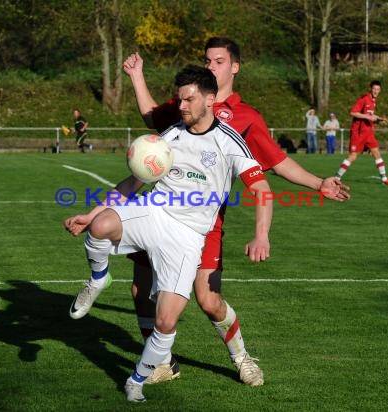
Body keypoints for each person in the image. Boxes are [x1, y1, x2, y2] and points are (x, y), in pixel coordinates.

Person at [66, 37, 349, 387]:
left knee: (208, 299)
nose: (211, 65)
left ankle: (242, 357)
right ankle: (163, 362)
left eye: (218, 60)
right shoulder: (188, 102)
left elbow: (276, 163)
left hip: (203, 224)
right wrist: (137, 76)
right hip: (160, 212)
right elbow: (154, 122)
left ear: (234, 67)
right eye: (207, 59)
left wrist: (317, 183)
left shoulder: (244, 119)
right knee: (141, 291)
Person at [68, 65, 273, 402]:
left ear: (209, 100)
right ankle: (98, 279)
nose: (181, 106)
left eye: (188, 100)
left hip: (189, 234)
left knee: (175, 317)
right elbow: (134, 183)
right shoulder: (170, 137)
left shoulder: (228, 141)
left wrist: (261, 234)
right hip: (155, 213)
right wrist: (90, 213)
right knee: (101, 225)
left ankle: (232, 359)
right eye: (180, 99)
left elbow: (262, 188)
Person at [334, 81, 388, 185]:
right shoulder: (364, 98)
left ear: (380, 90)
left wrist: (379, 119)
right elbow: (353, 112)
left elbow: (370, 115)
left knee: (376, 153)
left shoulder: (374, 100)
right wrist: (368, 117)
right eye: (374, 89)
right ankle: (337, 178)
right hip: (358, 132)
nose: (376, 91)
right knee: (353, 156)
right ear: (370, 89)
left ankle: (384, 179)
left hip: (368, 132)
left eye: (378, 89)